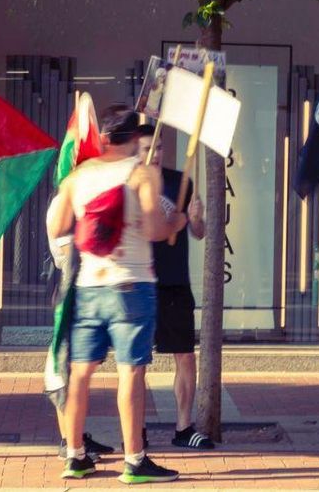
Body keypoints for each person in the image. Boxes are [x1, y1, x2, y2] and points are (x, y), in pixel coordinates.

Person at [46, 106, 183, 483]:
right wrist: (177, 221)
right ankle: (135, 461)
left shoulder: (79, 175)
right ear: (136, 138)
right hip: (132, 285)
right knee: (131, 372)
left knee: (80, 372)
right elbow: (155, 230)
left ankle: (75, 456)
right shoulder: (142, 173)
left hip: (88, 286)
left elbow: (58, 226)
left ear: (104, 138)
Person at [135, 124, 213, 451]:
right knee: (136, 362)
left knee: (184, 355)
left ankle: (184, 427)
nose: (154, 154)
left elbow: (199, 232)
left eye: (158, 147)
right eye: (146, 148)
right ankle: (136, 431)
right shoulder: (129, 183)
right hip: (139, 281)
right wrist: (174, 222)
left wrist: (195, 219)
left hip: (175, 281)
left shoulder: (181, 182)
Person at [46, 196, 115, 463]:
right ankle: (69, 442)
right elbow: (67, 253)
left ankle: (77, 436)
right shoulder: (63, 202)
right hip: (72, 292)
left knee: (80, 365)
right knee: (62, 368)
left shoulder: (86, 195)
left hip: (88, 290)